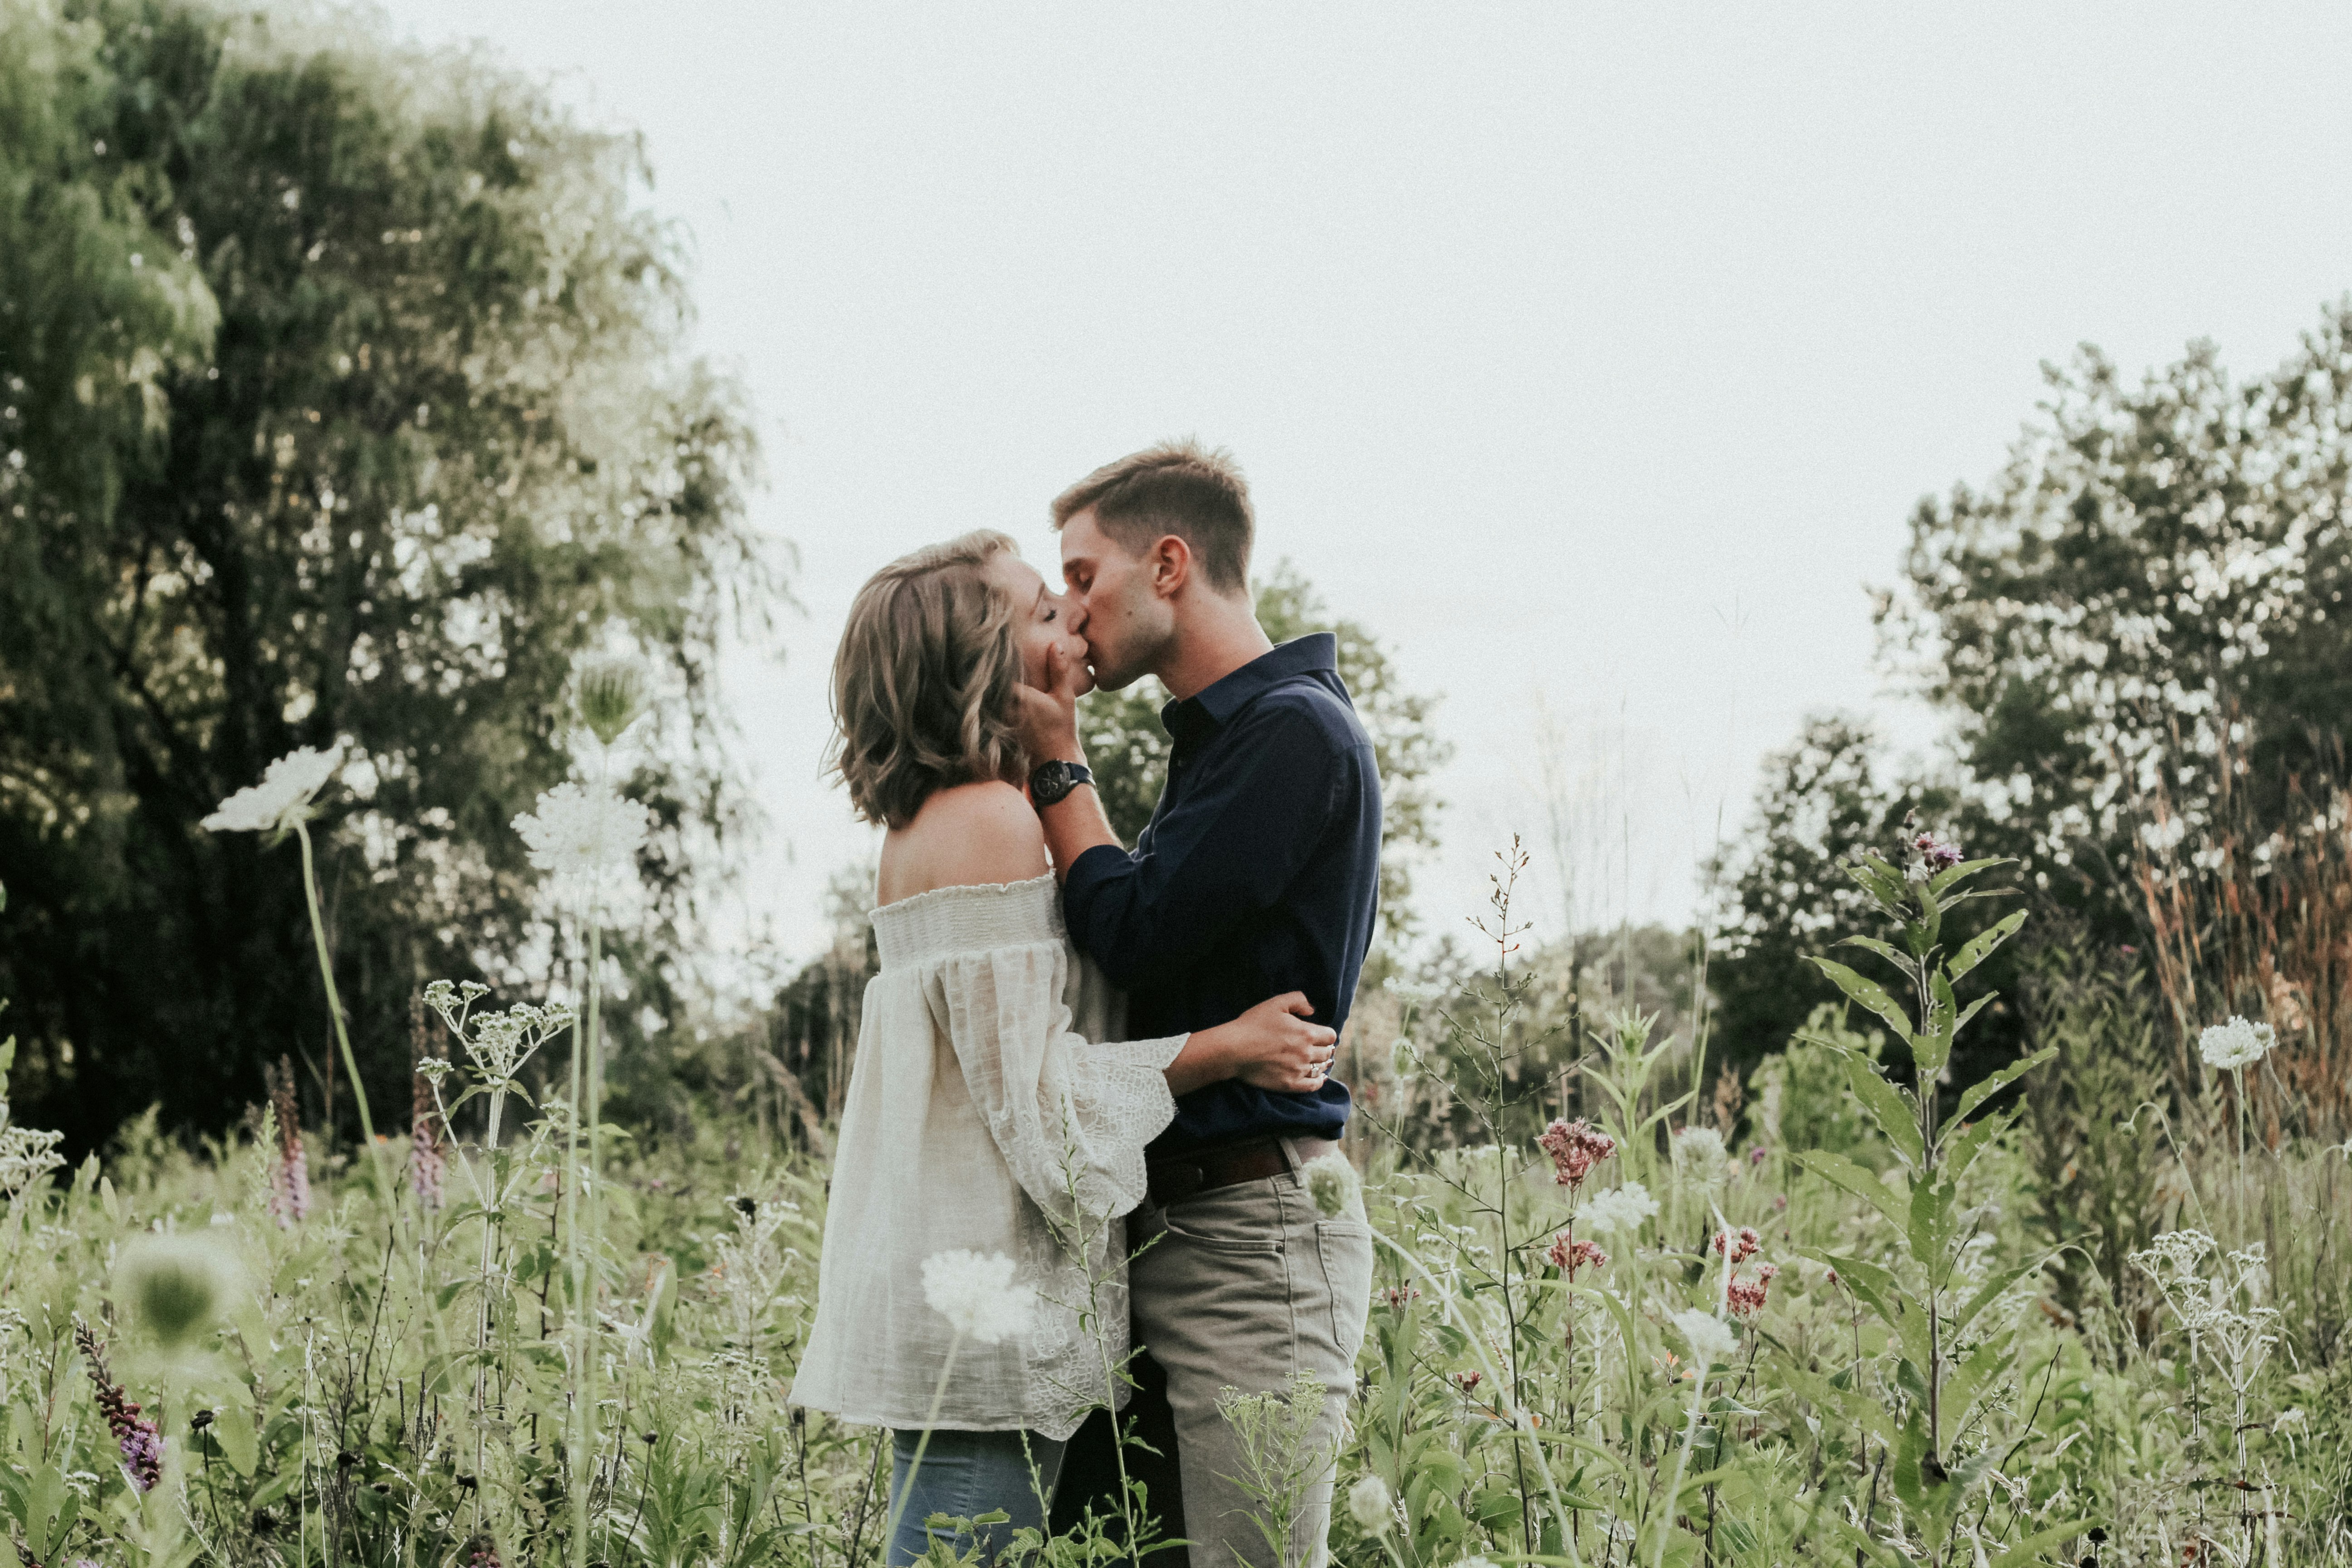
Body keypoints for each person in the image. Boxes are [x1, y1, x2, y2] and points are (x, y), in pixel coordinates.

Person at [788, 529, 1342, 1568]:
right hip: (985, 1321)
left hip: (976, 1305)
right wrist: (1228, 1047)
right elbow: (1043, 1108)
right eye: (1047, 609)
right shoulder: (988, 823)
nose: (1077, 621)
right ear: (988, 669)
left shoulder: (966, 815)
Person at [1015, 442, 1382, 1568]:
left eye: (1082, 577)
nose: (1070, 614)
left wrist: (1059, 767)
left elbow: (1136, 935)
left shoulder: (1291, 733)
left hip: (1252, 1244)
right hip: (1177, 1228)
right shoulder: (1232, 739)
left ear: (1168, 564)